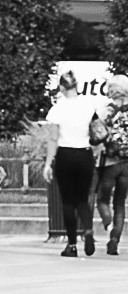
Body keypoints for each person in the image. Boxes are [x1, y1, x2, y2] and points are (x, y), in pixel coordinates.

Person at [45, 69, 101, 258]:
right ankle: (87, 230)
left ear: (61, 87)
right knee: (82, 199)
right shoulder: (87, 105)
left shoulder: (57, 109)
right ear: (76, 86)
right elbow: (96, 128)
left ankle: (71, 244)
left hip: (65, 155)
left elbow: (53, 139)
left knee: (68, 201)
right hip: (85, 155)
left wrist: (47, 164)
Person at [96, 78, 128, 257]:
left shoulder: (105, 111)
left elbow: (95, 135)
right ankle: (115, 240)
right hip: (127, 163)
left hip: (108, 162)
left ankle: (108, 225)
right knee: (120, 203)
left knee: (102, 199)